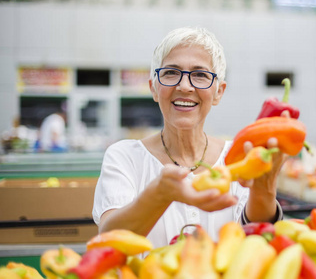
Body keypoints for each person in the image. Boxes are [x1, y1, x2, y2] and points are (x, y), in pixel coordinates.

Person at [92, 27, 286, 248]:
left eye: (200, 75)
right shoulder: (125, 157)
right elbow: (108, 242)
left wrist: (265, 189)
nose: (184, 86)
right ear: (154, 89)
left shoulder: (238, 157)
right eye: (171, 73)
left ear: (218, 92)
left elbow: (257, 247)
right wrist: (160, 194)